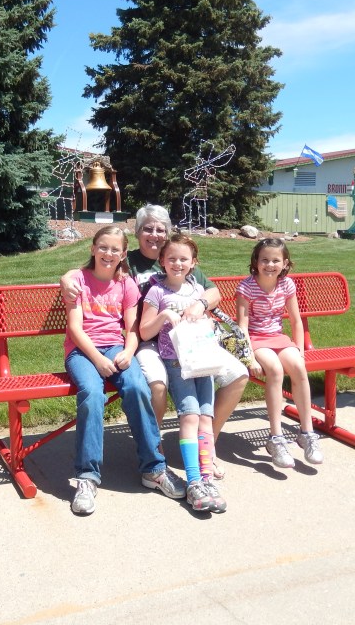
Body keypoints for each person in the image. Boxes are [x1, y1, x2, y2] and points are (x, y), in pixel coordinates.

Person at [61, 205, 248, 479]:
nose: (154, 234)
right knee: (155, 384)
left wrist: (200, 304)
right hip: (147, 340)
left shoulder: (177, 256)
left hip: (185, 342)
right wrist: (66, 278)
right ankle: (155, 451)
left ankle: (206, 446)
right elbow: (93, 267)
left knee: (238, 375)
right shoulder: (126, 261)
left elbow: (213, 292)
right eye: (148, 228)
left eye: (160, 229)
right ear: (137, 233)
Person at [63, 225, 185, 515]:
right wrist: (97, 359)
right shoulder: (77, 280)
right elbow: (75, 329)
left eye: (115, 249)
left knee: (138, 388)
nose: (108, 253)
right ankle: (87, 477)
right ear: (93, 249)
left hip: (116, 349)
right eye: (103, 247)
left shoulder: (126, 283)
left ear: (122, 254)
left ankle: (154, 469)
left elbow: (132, 328)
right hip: (82, 351)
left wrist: (129, 353)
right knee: (93, 394)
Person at [140, 234, 227, 513]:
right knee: (189, 416)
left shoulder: (196, 289)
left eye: (184, 259)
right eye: (172, 258)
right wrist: (164, 316)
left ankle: (206, 478)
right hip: (176, 363)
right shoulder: (156, 292)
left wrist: (204, 316)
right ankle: (193, 482)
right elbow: (144, 331)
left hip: (203, 361)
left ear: (193, 263)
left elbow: (209, 311)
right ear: (162, 261)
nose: (178, 263)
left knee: (205, 417)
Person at [235, 238, 323, 468]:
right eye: (265, 260)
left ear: (285, 263)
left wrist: (300, 350)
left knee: (298, 367)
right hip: (256, 339)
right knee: (274, 370)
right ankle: (275, 438)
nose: (270, 265)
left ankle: (306, 433)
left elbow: (295, 320)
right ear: (256, 261)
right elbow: (242, 326)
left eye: (276, 260)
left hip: (278, 337)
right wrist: (249, 357)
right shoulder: (246, 287)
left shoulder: (287, 285)